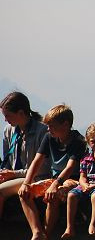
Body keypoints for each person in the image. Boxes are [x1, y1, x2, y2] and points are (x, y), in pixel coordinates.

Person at [18, 105, 86, 240]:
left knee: (53, 195)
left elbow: (70, 167)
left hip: (73, 180)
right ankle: (37, 232)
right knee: (24, 193)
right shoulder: (49, 138)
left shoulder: (78, 141)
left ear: (65, 124)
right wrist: (26, 183)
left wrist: (56, 184)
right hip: (55, 178)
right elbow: (37, 161)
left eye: (52, 126)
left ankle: (45, 236)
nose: (49, 129)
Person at [0, 92, 48, 222]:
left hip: (34, 178)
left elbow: (43, 169)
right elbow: (7, 162)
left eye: (8, 116)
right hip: (14, 177)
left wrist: (14, 174)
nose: (5, 120)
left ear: (21, 113)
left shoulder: (43, 131)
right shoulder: (8, 130)